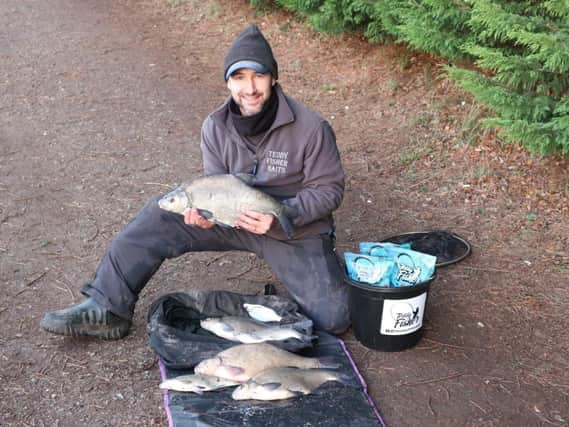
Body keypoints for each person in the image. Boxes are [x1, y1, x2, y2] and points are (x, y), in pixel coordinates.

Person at [41, 24, 349, 339]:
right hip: (233, 219)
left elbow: (329, 190)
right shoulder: (215, 127)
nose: (250, 88)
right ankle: (105, 306)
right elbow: (213, 186)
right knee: (158, 214)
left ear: (273, 77)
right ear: (228, 82)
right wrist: (203, 217)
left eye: (258, 76)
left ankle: (293, 289)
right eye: (239, 77)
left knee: (335, 319)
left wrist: (284, 213)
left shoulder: (311, 127)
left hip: (290, 228)